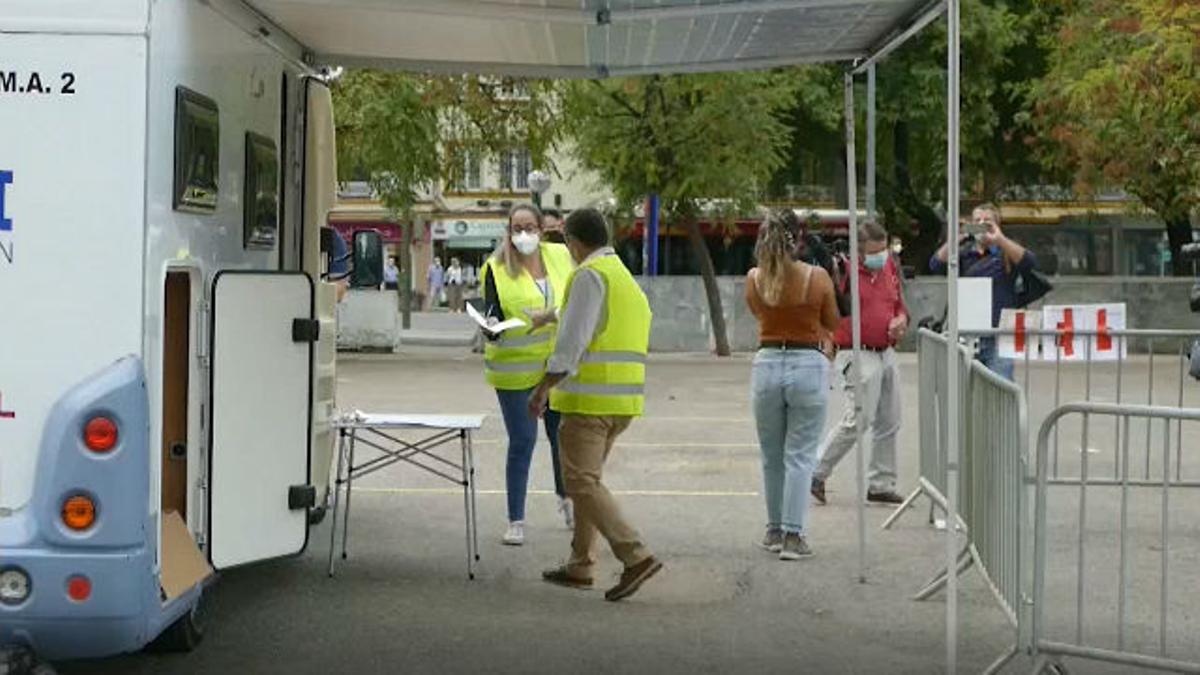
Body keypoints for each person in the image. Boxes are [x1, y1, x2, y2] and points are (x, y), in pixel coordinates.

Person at [528, 207, 662, 601]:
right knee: (588, 482)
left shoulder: (587, 274)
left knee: (580, 483)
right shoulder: (620, 276)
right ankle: (580, 564)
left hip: (589, 400)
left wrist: (542, 388)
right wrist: (550, 315)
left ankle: (635, 555)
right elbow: (595, 316)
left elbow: (573, 342)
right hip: (621, 401)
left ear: (572, 240)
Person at [745, 210, 841, 560]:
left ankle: (773, 529)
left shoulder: (754, 278)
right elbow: (832, 320)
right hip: (807, 361)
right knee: (800, 455)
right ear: (797, 239)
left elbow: (758, 313)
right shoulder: (815, 277)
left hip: (768, 359)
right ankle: (793, 535)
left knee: (772, 456)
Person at [480, 204, 575, 545]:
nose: (523, 234)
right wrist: (490, 325)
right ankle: (515, 520)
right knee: (523, 441)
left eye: (529, 227)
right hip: (514, 370)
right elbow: (491, 309)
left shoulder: (561, 256)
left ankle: (568, 501)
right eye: (516, 228)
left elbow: (579, 299)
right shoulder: (496, 267)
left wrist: (552, 317)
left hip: (556, 366)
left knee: (562, 438)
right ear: (508, 231)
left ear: (541, 228)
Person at [810, 221, 908, 507]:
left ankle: (881, 483)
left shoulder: (890, 267)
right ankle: (817, 471)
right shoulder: (844, 273)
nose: (881, 257)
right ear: (860, 251)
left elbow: (899, 303)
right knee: (859, 417)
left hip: (886, 350)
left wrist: (901, 320)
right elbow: (825, 308)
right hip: (856, 351)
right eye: (874, 252)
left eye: (884, 250)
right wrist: (827, 340)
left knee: (890, 419)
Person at [930, 202, 1037, 380]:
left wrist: (999, 239)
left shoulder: (1005, 253)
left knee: (999, 386)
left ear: (996, 224)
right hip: (967, 334)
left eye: (987, 221)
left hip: (999, 335)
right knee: (965, 389)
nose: (981, 224)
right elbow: (935, 265)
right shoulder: (963, 253)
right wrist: (956, 238)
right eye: (976, 220)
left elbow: (1030, 262)